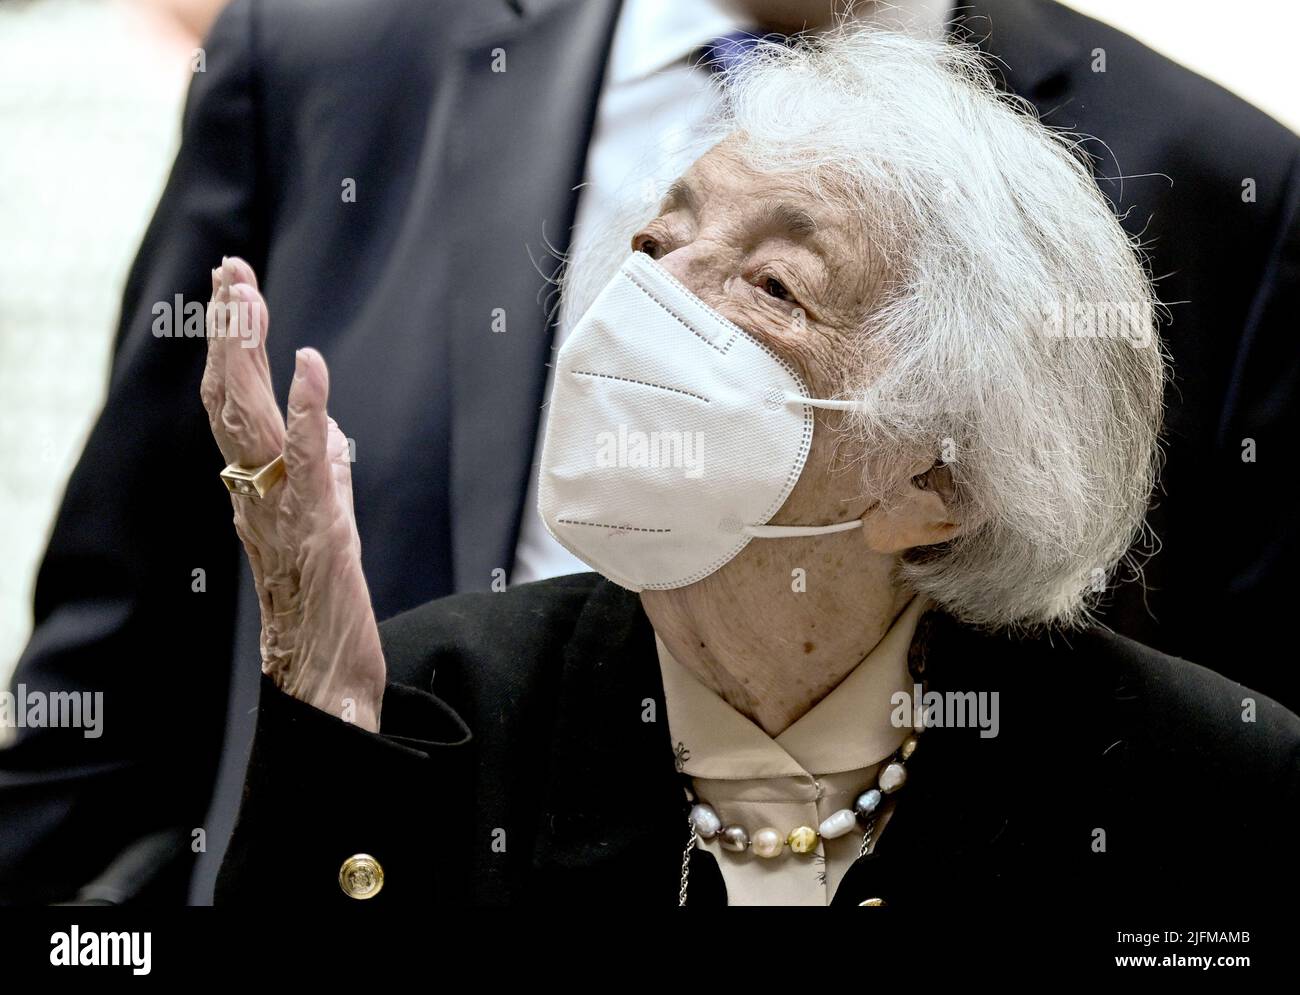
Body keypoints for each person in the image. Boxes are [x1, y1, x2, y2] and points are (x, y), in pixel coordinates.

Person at [3, 0, 1297, 907]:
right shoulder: (431, 702)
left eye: (778, 286)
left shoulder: (1202, 793)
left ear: (937, 478)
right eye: (651, 245)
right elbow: (114, 664)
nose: (659, 308)